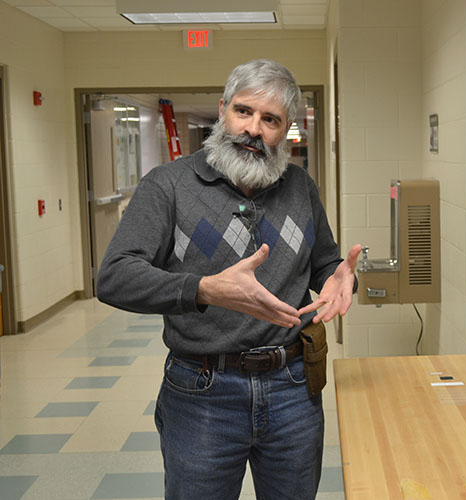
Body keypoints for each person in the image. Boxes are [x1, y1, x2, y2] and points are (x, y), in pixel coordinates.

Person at [97, 59, 361, 500]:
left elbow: (324, 262)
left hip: (293, 388)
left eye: (270, 119)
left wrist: (336, 276)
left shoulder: (300, 186)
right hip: (202, 391)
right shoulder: (169, 186)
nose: (253, 129)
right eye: (244, 111)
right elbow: (114, 277)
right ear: (223, 111)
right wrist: (202, 289)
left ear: (286, 128)